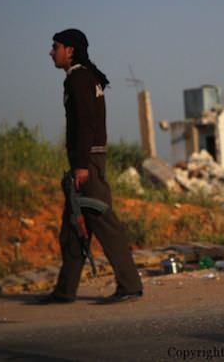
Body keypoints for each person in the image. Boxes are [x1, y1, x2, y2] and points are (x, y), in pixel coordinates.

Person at [38, 29, 143, 304]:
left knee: (105, 223)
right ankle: (65, 290)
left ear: (69, 50)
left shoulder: (79, 77)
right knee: (73, 227)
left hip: (88, 163)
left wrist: (82, 165)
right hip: (85, 161)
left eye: (55, 46)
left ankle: (130, 286)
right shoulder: (82, 77)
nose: (51, 52)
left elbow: (85, 123)